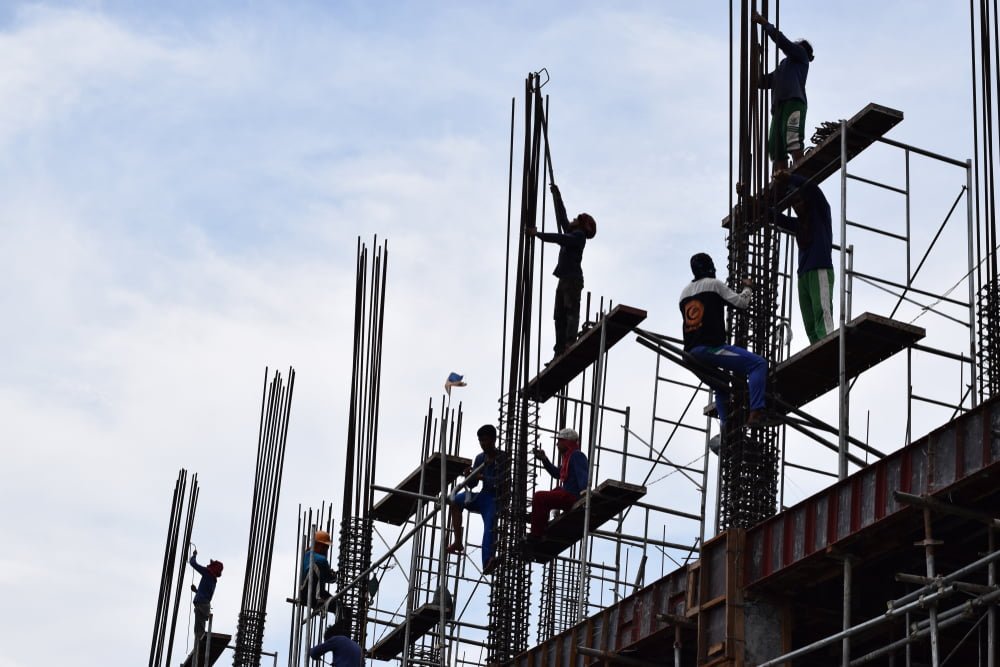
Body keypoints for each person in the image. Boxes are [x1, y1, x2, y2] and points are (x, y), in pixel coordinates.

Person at [679, 253, 769, 427]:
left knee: (721, 385)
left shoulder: (684, 294)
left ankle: (725, 429)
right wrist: (748, 288)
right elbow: (741, 303)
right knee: (758, 364)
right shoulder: (714, 285)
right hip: (710, 349)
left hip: (690, 354)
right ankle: (756, 412)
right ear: (709, 268)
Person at [526, 183, 597, 359]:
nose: (572, 219)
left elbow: (560, 238)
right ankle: (560, 349)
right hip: (565, 279)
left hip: (572, 280)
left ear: (581, 225)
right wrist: (557, 196)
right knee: (559, 315)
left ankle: (569, 343)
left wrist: (538, 234)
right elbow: (562, 217)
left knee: (569, 311)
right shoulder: (573, 232)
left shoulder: (578, 237)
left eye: (577, 219)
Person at [772, 172, 834, 344]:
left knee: (822, 313)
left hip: (819, 269)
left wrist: (790, 178)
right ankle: (817, 348)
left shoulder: (820, 212)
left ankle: (828, 346)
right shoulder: (799, 224)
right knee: (809, 322)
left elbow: (812, 188)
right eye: (794, 203)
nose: (797, 206)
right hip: (804, 276)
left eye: (799, 201)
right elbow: (776, 218)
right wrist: (750, 202)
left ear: (807, 200)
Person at [753, 11, 814, 172]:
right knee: (775, 147)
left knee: (792, 140)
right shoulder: (783, 67)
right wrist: (758, 58)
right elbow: (760, 82)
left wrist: (765, 24)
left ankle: (800, 175)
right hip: (778, 109)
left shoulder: (801, 57)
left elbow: (784, 43)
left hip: (793, 102)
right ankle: (782, 181)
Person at [447, 424, 506, 575]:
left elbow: (503, 482)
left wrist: (483, 476)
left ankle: (487, 561)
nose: (483, 444)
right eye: (480, 441)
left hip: (497, 498)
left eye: (485, 440)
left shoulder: (504, 458)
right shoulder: (480, 458)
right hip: (483, 496)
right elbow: (473, 484)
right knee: (454, 500)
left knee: (489, 526)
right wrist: (469, 476)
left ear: (493, 439)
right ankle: (458, 541)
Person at [528, 428, 588, 541]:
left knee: (539, 497)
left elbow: (583, 474)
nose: (557, 444)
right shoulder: (568, 458)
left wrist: (584, 492)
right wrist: (544, 459)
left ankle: (536, 534)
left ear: (567, 442)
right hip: (568, 493)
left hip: (573, 495)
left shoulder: (577, 456)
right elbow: (557, 473)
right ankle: (540, 523)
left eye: (559, 441)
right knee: (553, 492)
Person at [189, 550, 223, 644]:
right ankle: (199, 646)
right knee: (200, 629)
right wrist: (196, 591)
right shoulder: (213, 580)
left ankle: (199, 647)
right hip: (205, 606)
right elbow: (206, 595)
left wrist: (194, 555)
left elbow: (193, 563)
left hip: (201, 606)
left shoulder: (207, 573)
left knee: (198, 632)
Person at [300, 530, 336, 612]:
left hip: (306, 593)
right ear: (318, 545)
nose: (326, 549)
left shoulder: (306, 555)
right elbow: (329, 578)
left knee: (337, 605)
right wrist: (334, 577)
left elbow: (323, 576)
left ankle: (340, 623)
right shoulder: (321, 560)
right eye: (325, 546)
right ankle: (318, 599)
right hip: (311, 594)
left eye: (327, 547)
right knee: (340, 608)